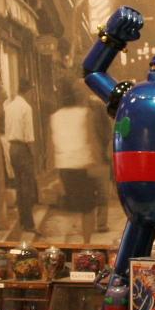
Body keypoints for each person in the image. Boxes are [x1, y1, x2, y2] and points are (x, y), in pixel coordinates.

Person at [50, 96, 97, 240]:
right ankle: (87, 243)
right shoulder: (85, 113)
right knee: (88, 209)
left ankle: (67, 243)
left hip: (64, 167)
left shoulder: (54, 116)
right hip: (83, 165)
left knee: (68, 210)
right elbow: (92, 139)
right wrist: (97, 162)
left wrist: (56, 173)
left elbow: (51, 145)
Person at [2, 81, 37, 233]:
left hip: (12, 148)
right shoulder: (26, 108)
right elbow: (29, 135)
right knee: (27, 186)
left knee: (19, 186)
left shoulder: (9, 107)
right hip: (23, 149)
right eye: (31, 92)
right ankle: (29, 224)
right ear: (28, 91)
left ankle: (23, 220)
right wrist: (33, 153)